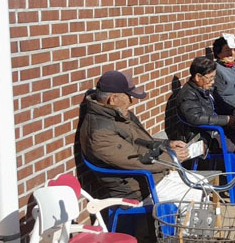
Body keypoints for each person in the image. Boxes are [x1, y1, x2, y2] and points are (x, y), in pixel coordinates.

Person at [79, 70, 207, 202]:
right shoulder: (99, 133)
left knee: (204, 183)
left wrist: (167, 144)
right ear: (113, 99)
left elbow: (140, 142)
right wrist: (172, 157)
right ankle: (184, 215)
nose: (131, 101)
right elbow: (134, 161)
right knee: (196, 196)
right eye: (129, 96)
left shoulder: (117, 115)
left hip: (152, 176)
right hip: (137, 189)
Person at [177, 56, 235, 166]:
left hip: (222, 131)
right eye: (210, 78)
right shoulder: (188, 94)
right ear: (198, 77)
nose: (213, 82)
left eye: (214, 78)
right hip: (207, 137)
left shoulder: (208, 89)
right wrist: (226, 120)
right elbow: (196, 118)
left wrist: (234, 111)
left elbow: (221, 104)